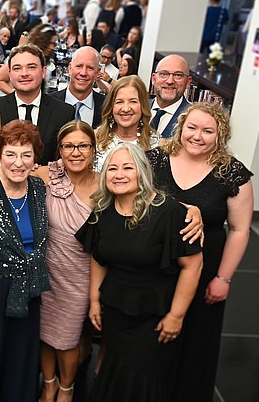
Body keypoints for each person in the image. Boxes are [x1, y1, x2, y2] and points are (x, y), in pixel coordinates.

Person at [76, 143, 202, 402]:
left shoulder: (169, 212)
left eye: (127, 168)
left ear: (141, 172)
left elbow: (192, 265)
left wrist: (176, 316)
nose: (118, 174)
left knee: (144, 378)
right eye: (112, 168)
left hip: (155, 314)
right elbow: (98, 259)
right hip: (116, 308)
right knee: (115, 370)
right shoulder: (102, 213)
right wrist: (95, 301)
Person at [147, 102, 254, 402]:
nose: (198, 136)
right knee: (152, 338)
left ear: (220, 135)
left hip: (206, 267)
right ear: (181, 127)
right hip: (155, 265)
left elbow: (240, 229)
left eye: (208, 131)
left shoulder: (232, 173)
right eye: (192, 128)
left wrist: (224, 278)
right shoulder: (155, 158)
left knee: (195, 342)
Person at [0, 120, 50, 402]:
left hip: (29, 292)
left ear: (35, 159)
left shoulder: (40, 188)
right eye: (11, 154)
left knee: (21, 364)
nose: (19, 162)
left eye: (26, 155)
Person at [31, 120, 97, 402]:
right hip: (47, 269)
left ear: (94, 149)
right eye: (69, 146)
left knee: (67, 339)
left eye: (83, 145)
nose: (76, 152)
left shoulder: (105, 184)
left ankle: (67, 388)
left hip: (81, 274)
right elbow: (10, 175)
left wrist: (189, 208)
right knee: (44, 333)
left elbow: (144, 197)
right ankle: (48, 383)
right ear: (60, 150)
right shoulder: (46, 175)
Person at [0, 44, 75, 164]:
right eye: (17, 68)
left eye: (31, 67)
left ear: (43, 72)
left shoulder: (64, 113)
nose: (24, 73)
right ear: (10, 74)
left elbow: (66, 158)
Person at [94, 75, 158, 171]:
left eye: (133, 101)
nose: (125, 109)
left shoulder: (157, 145)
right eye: (119, 102)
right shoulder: (94, 138)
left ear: (143, 105)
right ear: (111, 106)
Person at [52, 46, 106, 128]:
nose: (83, 73)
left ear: (97, 73)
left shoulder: (107, 106)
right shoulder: (48, 103)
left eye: (90, 68)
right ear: (70, 68)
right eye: (79, 66)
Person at [149, 54, 192, 138]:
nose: (170, 81)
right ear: (153, 79)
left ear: (188, 82)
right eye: (164, 74)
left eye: (178, 75)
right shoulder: (140, 107)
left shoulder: (192, 117)